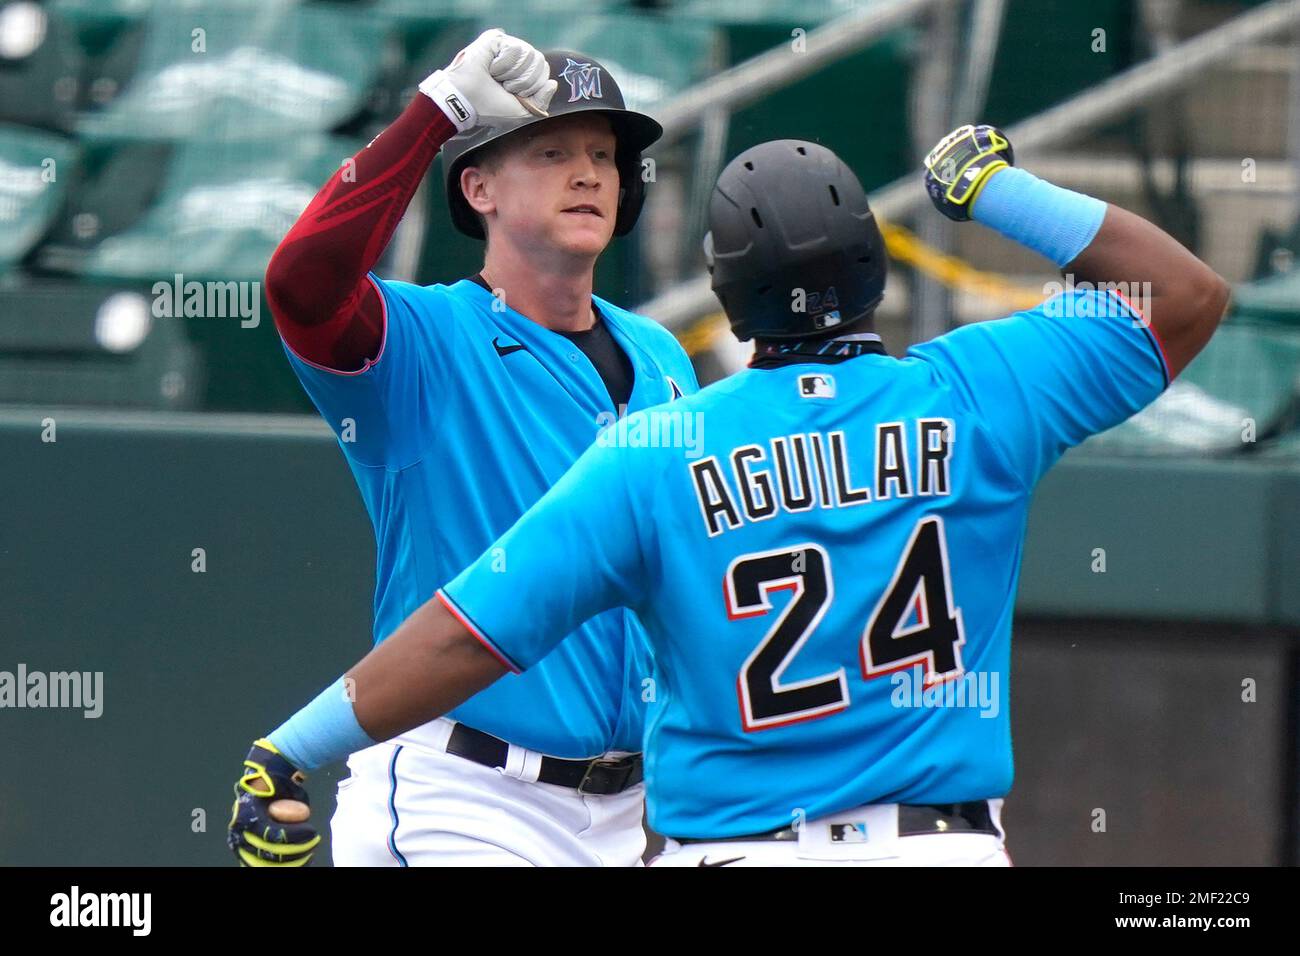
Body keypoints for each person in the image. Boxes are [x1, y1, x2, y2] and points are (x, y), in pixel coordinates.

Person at [231, 128, 1229, 866]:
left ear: (725, 289)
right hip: (940, 846)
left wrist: (293, 743)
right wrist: (991, 187)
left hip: (735, 849)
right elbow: (1182, 294)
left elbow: (461, 632)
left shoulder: (662, 443)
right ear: (876, 264)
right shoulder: (979, 392)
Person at [230, 29, 696, 867]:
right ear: (475, 185)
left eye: (603, 153)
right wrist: (435, 115)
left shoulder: (662, 356)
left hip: (628, 816)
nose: (589, 172)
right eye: (551, 150)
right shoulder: (422, 341)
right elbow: (301, 282)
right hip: (461, 795)